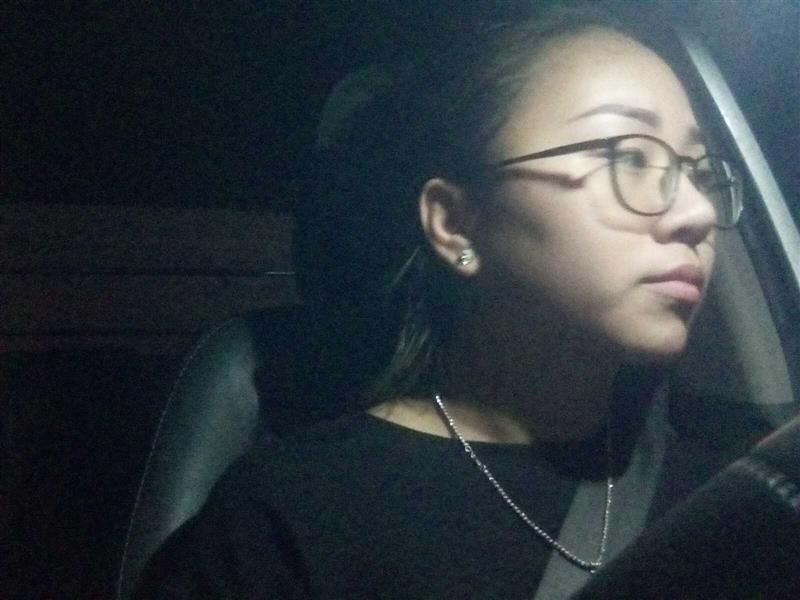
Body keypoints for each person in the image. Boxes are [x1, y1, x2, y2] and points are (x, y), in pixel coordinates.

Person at [136, 5, 764, 598]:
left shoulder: (738, 491)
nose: (698, 212)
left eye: (700, 172)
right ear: (456, 224)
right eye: (629, 157)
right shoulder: (288, 522)